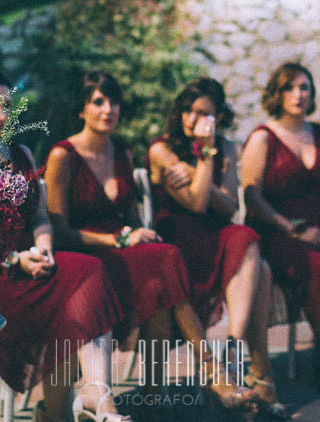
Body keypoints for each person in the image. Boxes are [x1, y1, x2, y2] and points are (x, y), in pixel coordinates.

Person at [42, 72, 254, 410]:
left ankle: (157, 393)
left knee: (162, 266)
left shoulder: (122, 150)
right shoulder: (62, 155)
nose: (108, 109)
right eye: (98, 102)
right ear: (81, 109)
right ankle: (210, 369)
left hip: (123, 249)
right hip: (85, 255)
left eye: (114, 102)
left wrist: (137, 233)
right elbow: (60, 231)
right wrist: (122, 238)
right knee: (165, 261)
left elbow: (130, 216)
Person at [0, 70, 127, 422]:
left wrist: (45, 247)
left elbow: (39, 215)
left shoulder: (19, 152)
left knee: (88, 271)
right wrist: (15, 259)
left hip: (34, 263)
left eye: (6, 106)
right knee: (69, 298)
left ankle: (96, 392)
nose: (2, 116)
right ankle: (56, 412)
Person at [148, 77, 287, 418]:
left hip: (215, 234)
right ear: (180, 112)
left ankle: (231, 349)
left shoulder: (225, 147)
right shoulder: (161, 149)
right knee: (263, 272)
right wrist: (205, 160)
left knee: (245, 236)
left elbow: (228, 208)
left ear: (219, 118)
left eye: (205, 114)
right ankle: (259, 379)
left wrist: (200, 162)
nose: (195, 120)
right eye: (190, 111)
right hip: (176, 243)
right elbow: (196, 203)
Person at [240, 62, 320, 397]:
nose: (298, 95)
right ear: (276, 93)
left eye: (304, 88)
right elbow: (251, 195)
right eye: (289, 88)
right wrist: (290, 229)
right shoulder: (262, 137)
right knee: (319, 266)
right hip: (277, 230)